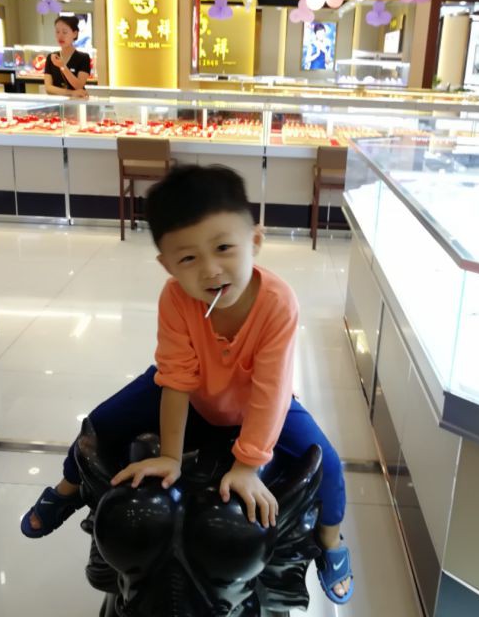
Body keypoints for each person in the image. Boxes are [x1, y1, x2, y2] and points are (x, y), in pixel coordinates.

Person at [20, 165, 353, 604]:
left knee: (328, 465)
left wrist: (248, 464)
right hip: (191, 390)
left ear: (255, 240)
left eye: (224, 248)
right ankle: (67, 490)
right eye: (189, 259)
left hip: (254, 397)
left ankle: (331, 541)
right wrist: (170, 458)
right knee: (99, 424)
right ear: (167, 265)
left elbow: (271, 390)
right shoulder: (175, 298)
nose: (211, 270)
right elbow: (176, 378)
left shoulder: (278, 303)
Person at [44, 16, 90, 98]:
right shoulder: (51, 57)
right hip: (56, 103)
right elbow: (48, 88)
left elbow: (79, 86)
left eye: (64, 32)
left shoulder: (83, 58)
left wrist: (62, 66)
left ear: (75, 34)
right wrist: (71, 93)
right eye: (57, 32)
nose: (60, 36)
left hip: (77, 103)